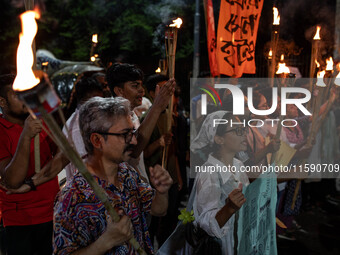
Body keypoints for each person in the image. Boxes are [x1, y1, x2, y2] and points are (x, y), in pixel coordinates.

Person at [53, 97, 173, 255]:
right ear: (97, 140)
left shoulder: (127, 173)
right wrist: (106, 241)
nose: (135, 141)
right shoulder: (72, 196)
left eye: (133, 133)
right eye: (126, 135)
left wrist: (162, 192)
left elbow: (158, 210)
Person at [0, 74, 60, 254]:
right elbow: (12, 181)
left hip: (54, 213)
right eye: (16, 95)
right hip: (20, 221)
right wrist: (26, 135)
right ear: (2, 102)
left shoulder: (40, 120)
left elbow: (64, 154)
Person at [190, 111, 249, 255]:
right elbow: (206, 223)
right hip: (223, 245)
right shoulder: (209, 173)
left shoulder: (238, 164)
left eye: (243, 129)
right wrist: (229, 208)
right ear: (219, 139)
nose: (243, 134)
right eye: (237, 130)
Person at [106, 63, 175, 182]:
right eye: (135, 86)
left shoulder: (131, 115)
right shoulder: (114, 116)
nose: (142, 90)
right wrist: (157, 107)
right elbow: (134, 150)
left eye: (141, 85)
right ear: (119, 90)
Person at [62, 76, 105, 182]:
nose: (101, 105)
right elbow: (85, 165)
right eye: (97, 101)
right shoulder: (76, 127)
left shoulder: (89, 120)